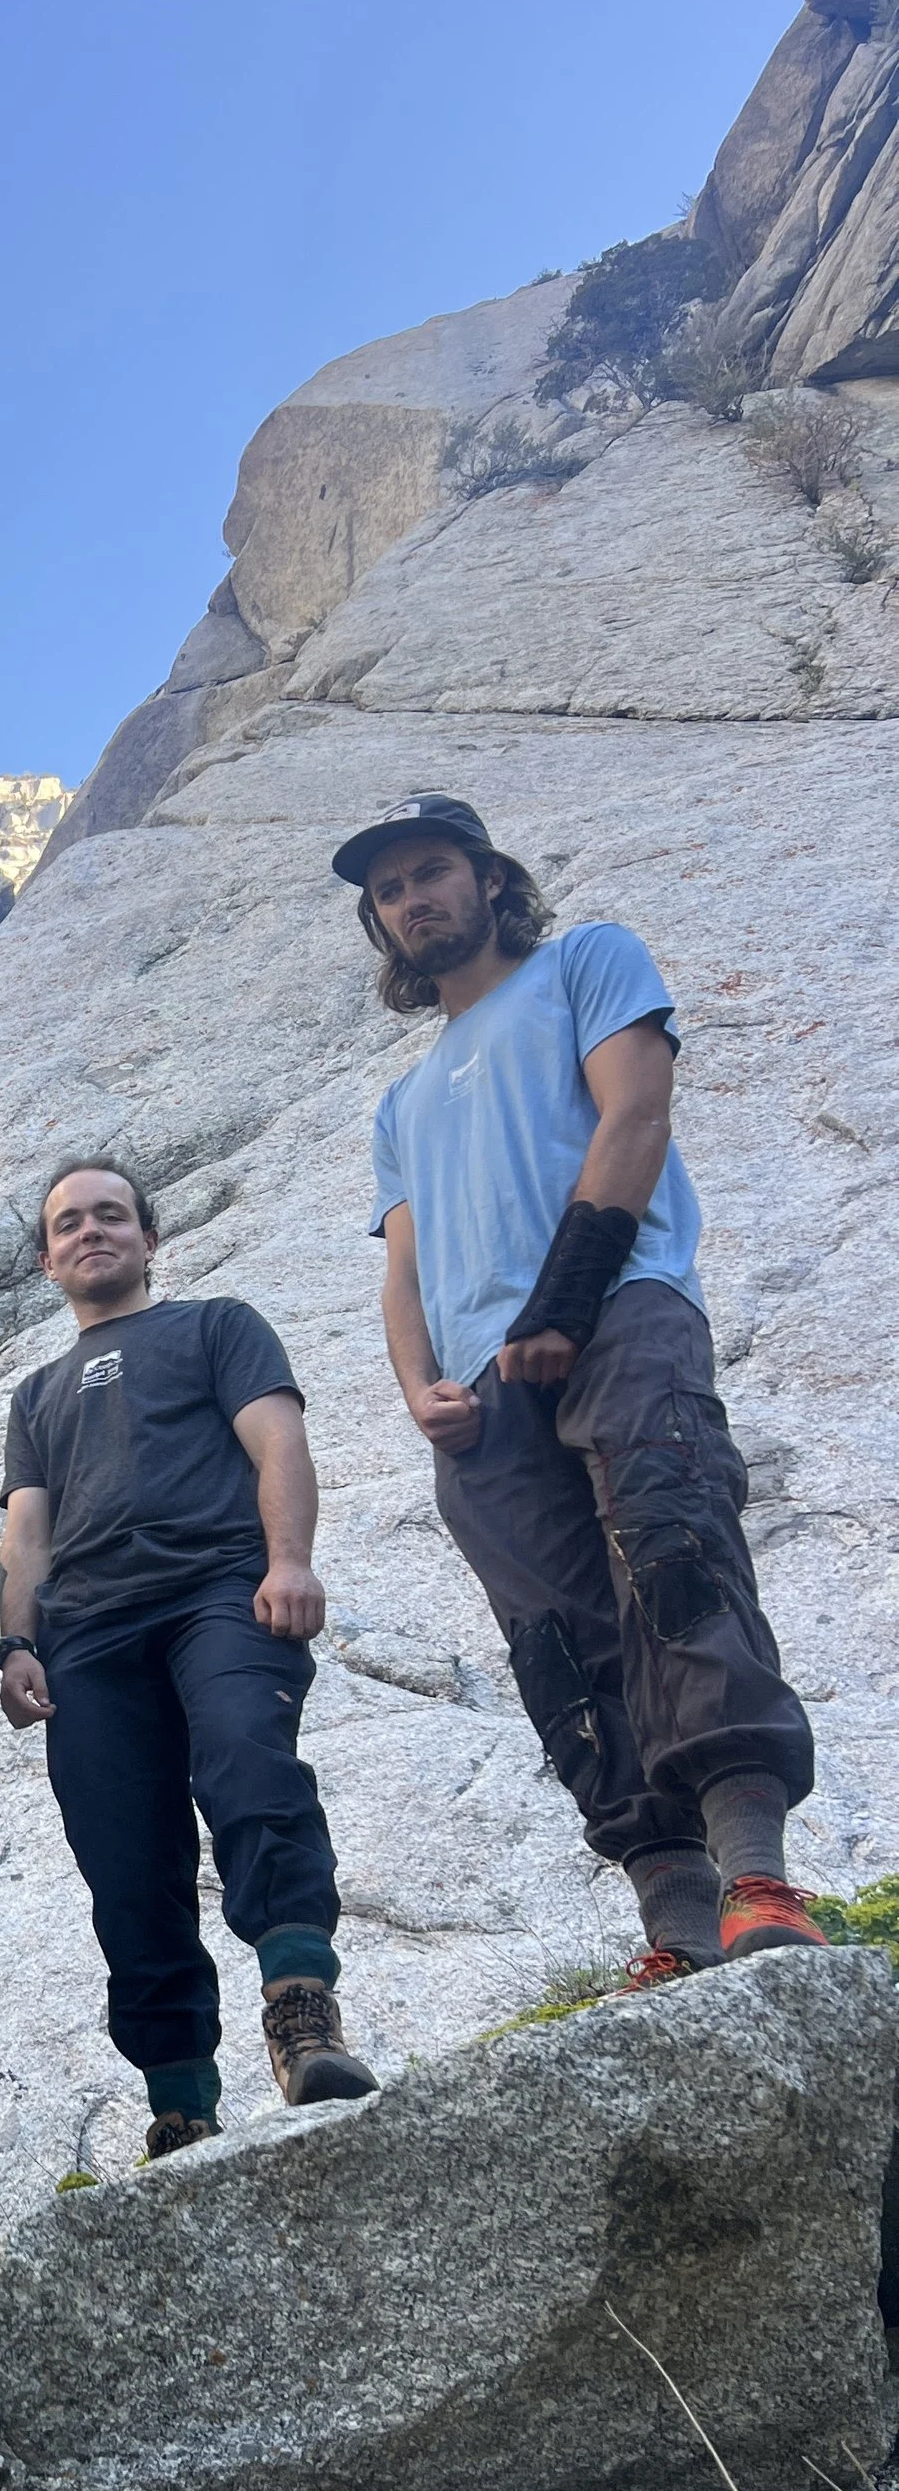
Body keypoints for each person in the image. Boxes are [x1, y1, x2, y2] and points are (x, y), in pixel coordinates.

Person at [341, 789, 820, 1981]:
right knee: (557, 1646)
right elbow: (403, 1267)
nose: (413, 900)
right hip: (482, 1392)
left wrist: (562, 1300)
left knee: (671, 1540)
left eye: (432, 871)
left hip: (617, 1308)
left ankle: (756, 1875)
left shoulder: (585, 965)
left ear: (489, 879)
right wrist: (419, 1388)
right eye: (389, 890)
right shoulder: (399, 1104)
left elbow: (634, 1113)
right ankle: (677, 1922)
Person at [0, 1162, 376, 2156]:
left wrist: (289, 1559)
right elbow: (26, 1535)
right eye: (68, 1224)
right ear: (46, 1260)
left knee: (249, 1762)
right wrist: (16, 1641)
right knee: (125, 1863)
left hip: (218, 1592)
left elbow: (276, 1443)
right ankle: (179, 2098)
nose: (91, 1233)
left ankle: (300, 2008)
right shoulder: (35, 1396)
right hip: (87, 1636)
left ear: (148, 1239)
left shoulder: (217, 1326)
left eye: (110, 1216)